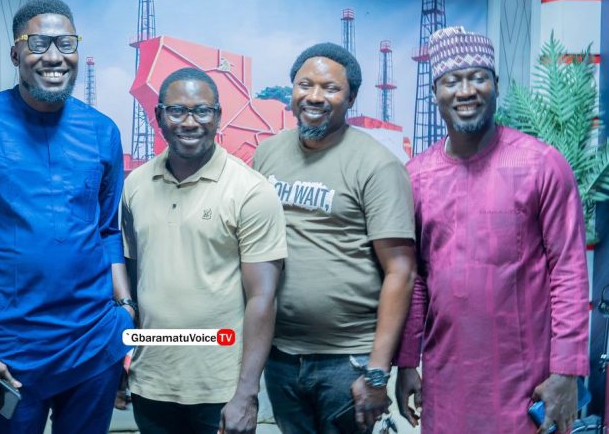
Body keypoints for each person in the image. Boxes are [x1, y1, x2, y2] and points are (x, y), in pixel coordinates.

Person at [0, 0, 133, 433]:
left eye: (66, 43)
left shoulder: (102, 131)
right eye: (38, 43)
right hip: (8, 349)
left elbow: (107, 231)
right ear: (15, 53)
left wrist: (125, 311)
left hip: (93, 343)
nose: (54, 56)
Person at [393, 26, 590, 434]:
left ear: (496, 85)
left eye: (478, 77)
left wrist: (566, 371)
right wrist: (408, 361)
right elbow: (415, 279)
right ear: (434, 93)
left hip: (527, 383)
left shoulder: (542, 165)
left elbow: (569, 272)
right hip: (445, 383)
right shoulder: (416, 177)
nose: (466, 91)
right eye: (452, 81)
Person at [252, 43, 417, 433]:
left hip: (347, 359)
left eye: (330, 88)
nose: (314, 96)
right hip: (281, 355)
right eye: (304, 84)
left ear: (351, 98)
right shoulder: (267, 154)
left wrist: (377, 372)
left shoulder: (377, 165)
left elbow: (401, 272)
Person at [121, 67, 288, 434]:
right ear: (159, 116)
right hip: (151, 382)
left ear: (218, 116)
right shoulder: (135, 185)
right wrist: (124, 358)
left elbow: (263, 298)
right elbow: (134, 282)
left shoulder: (250, 191)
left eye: (202, 111)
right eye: (177, 111)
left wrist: (246, 393)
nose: (189, 122)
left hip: (221, 390)